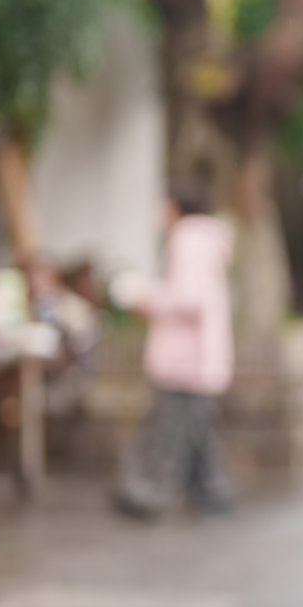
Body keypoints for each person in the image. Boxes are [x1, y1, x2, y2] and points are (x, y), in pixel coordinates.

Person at [113, 182, 236, 518]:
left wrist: (144, 298)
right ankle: (210, 491)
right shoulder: (207, 240)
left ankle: (155, 493)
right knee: (196, 429)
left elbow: (188, 298)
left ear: (173, 206)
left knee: (171, 430)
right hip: (200, 354)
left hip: (184, 357)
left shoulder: (188, 240)